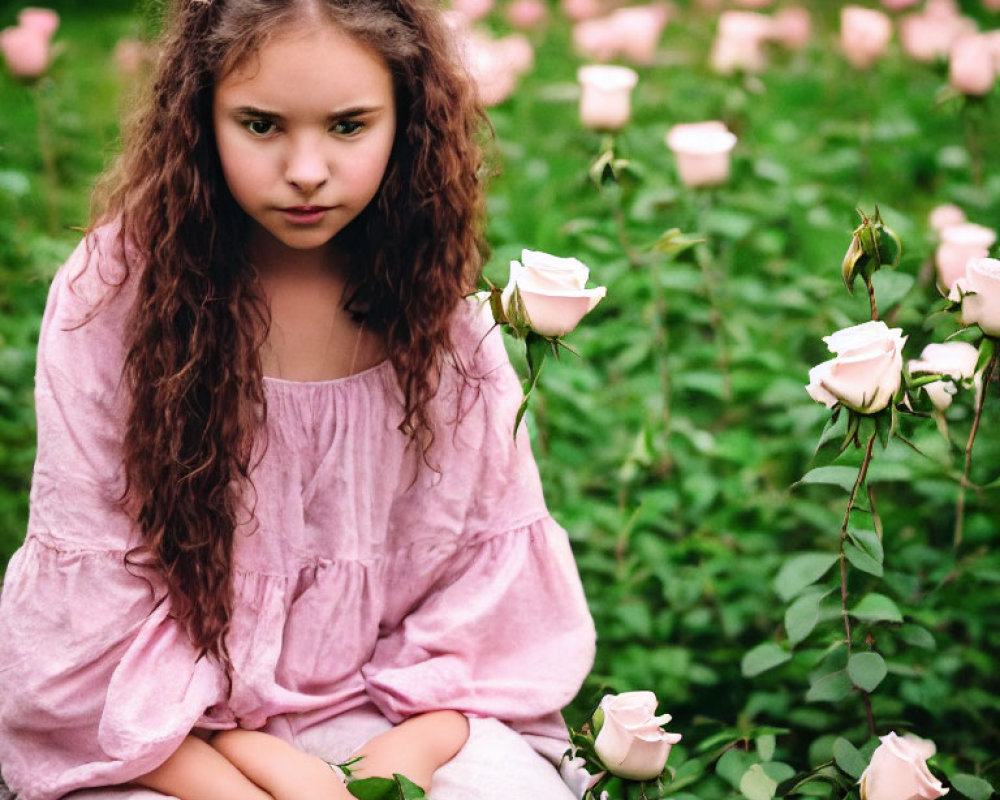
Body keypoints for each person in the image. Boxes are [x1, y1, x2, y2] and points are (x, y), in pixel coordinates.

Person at [0, 0, 596, 798]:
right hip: (153, 732)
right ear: (200, 118)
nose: (307, 169)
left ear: (406, 119)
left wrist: (400, 761)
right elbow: (86, 624)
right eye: (261, 124)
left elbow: (482, 601)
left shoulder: (434, 309)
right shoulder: (115, 295)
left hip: (386, 709)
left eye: (349, 126)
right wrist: (261, 772)